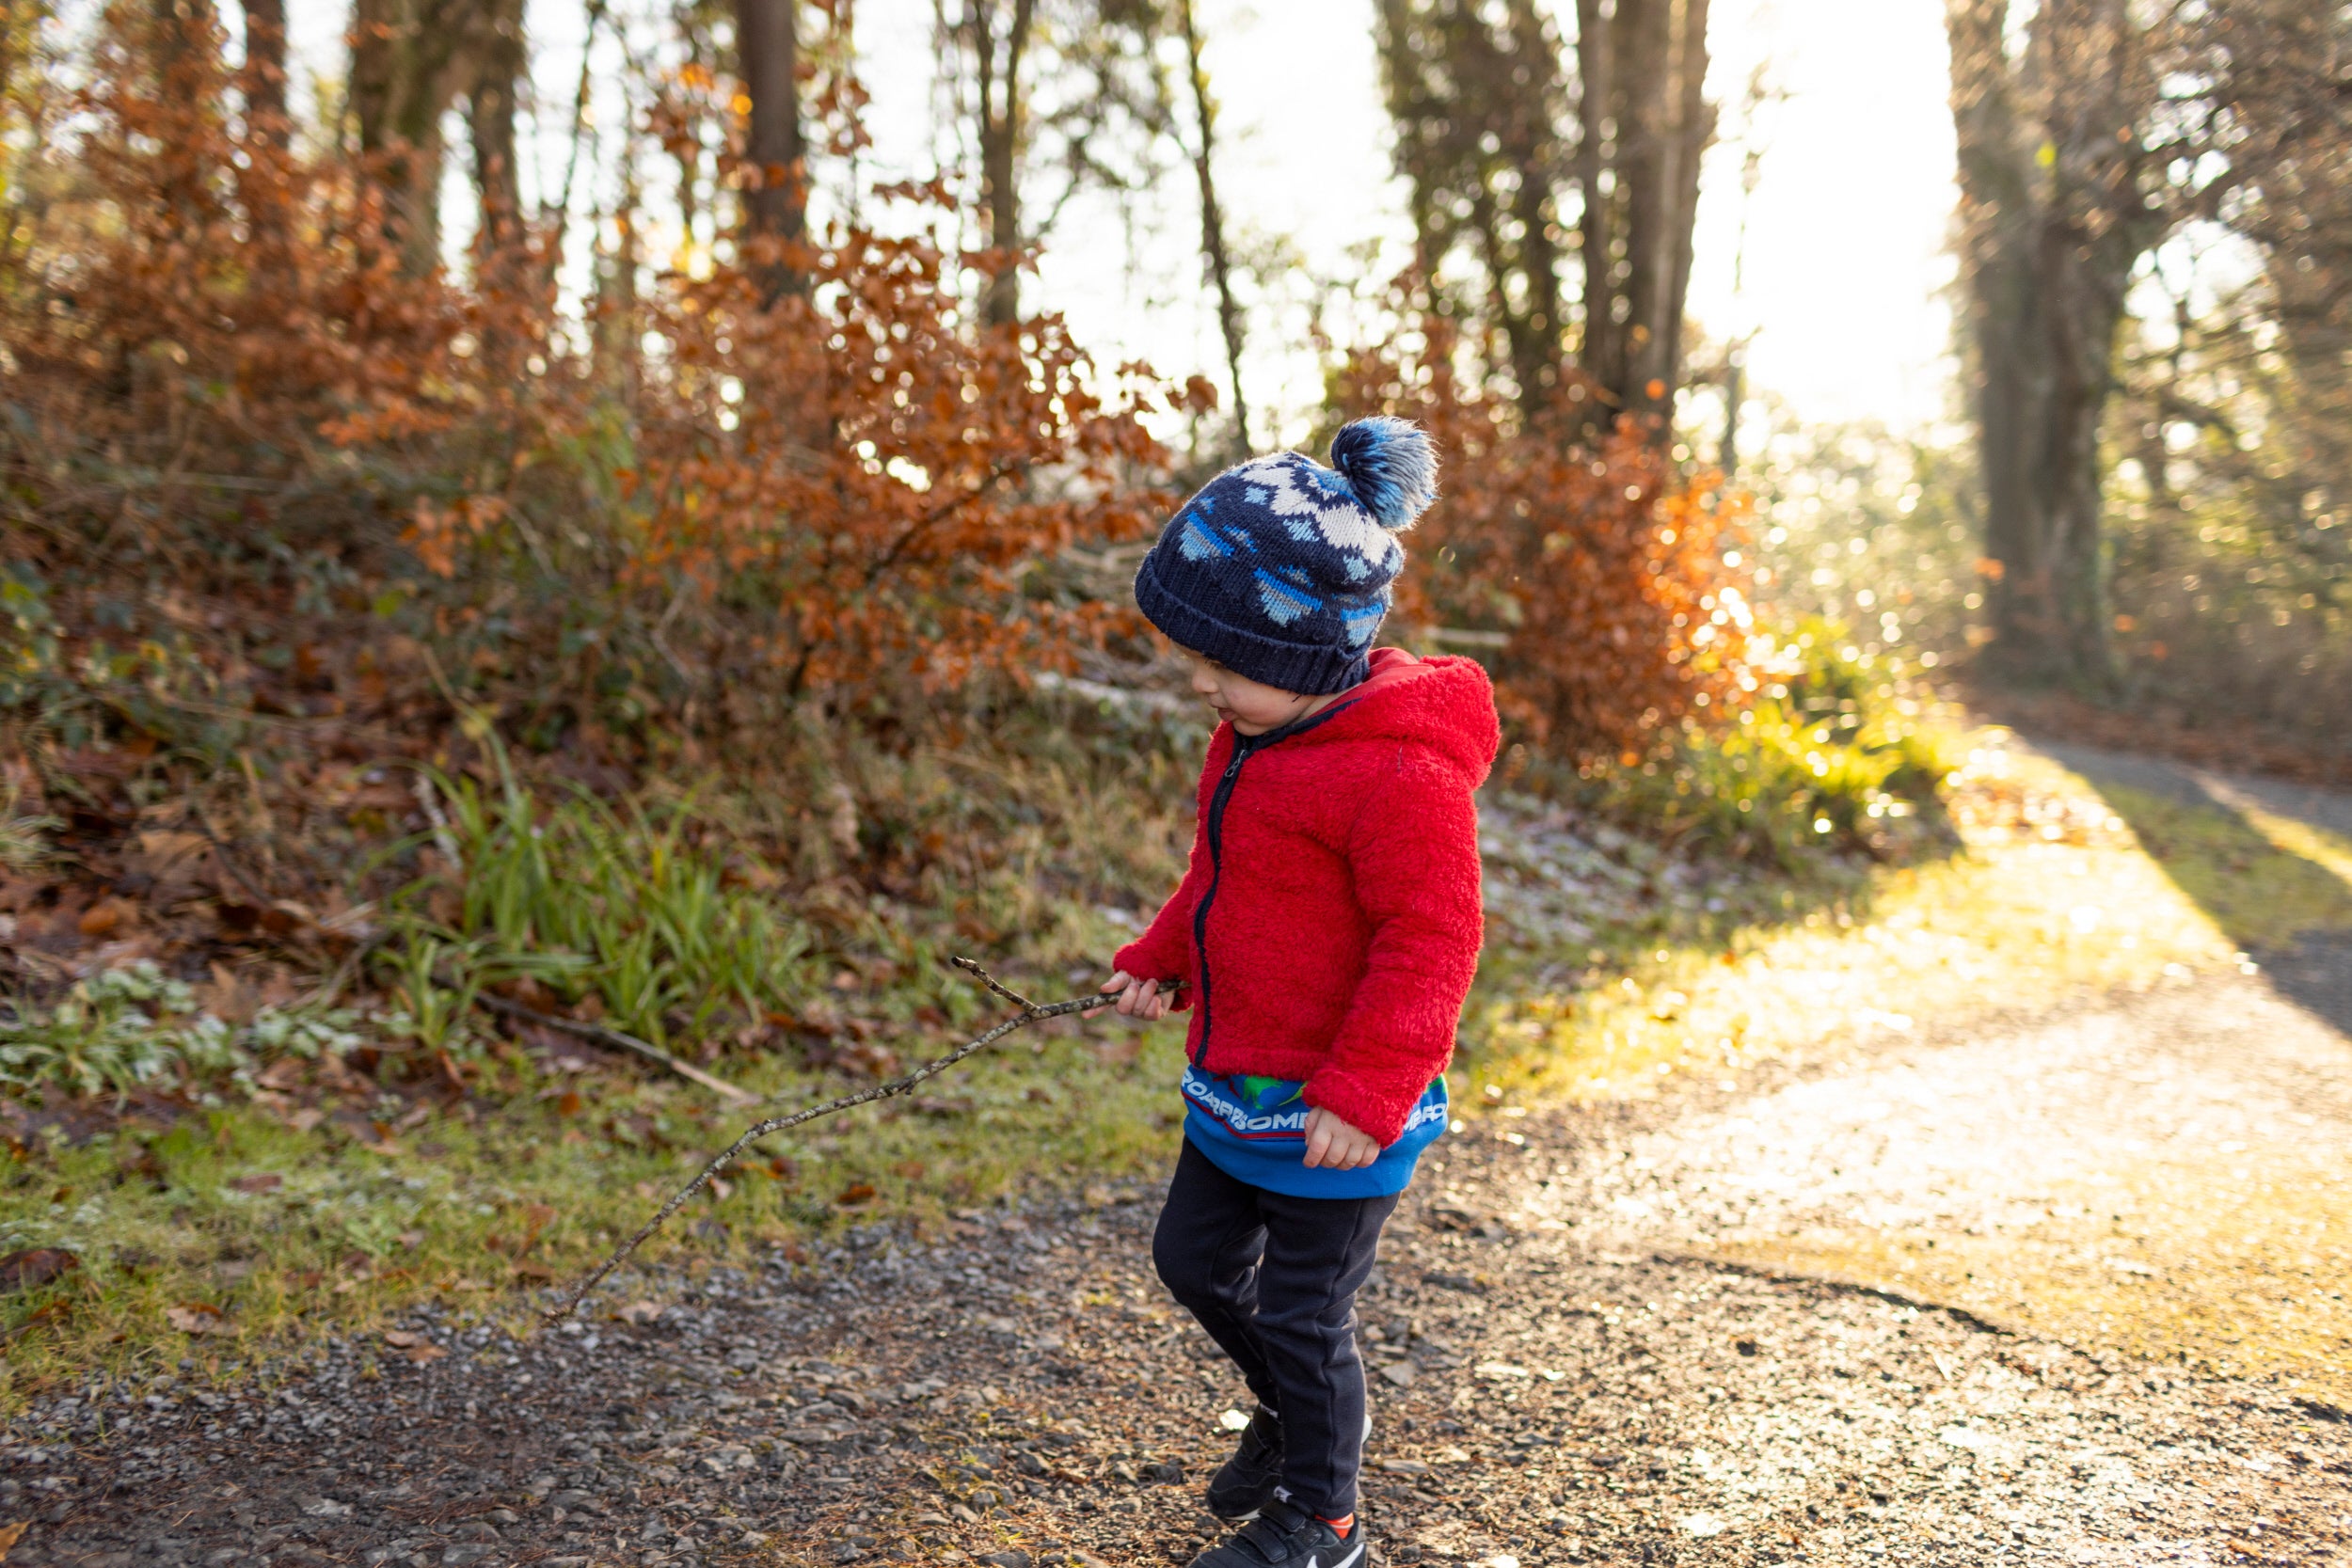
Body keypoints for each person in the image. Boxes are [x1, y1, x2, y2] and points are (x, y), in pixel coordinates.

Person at [1094, 418, 1500, 1568]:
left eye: (1225, 662)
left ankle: (1323, 1517)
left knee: (1304, 1310)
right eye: (1196, 658)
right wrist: (1163, 953)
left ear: (1312, 652)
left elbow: (1433, 937)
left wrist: (1368, 1089)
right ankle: (1289, 1409)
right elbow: (1221, 874)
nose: (1202, 682)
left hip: (1340, 1106)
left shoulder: (1400, 773)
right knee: (1190, 1260)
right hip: (1238, 1078)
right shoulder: (1250, 734)